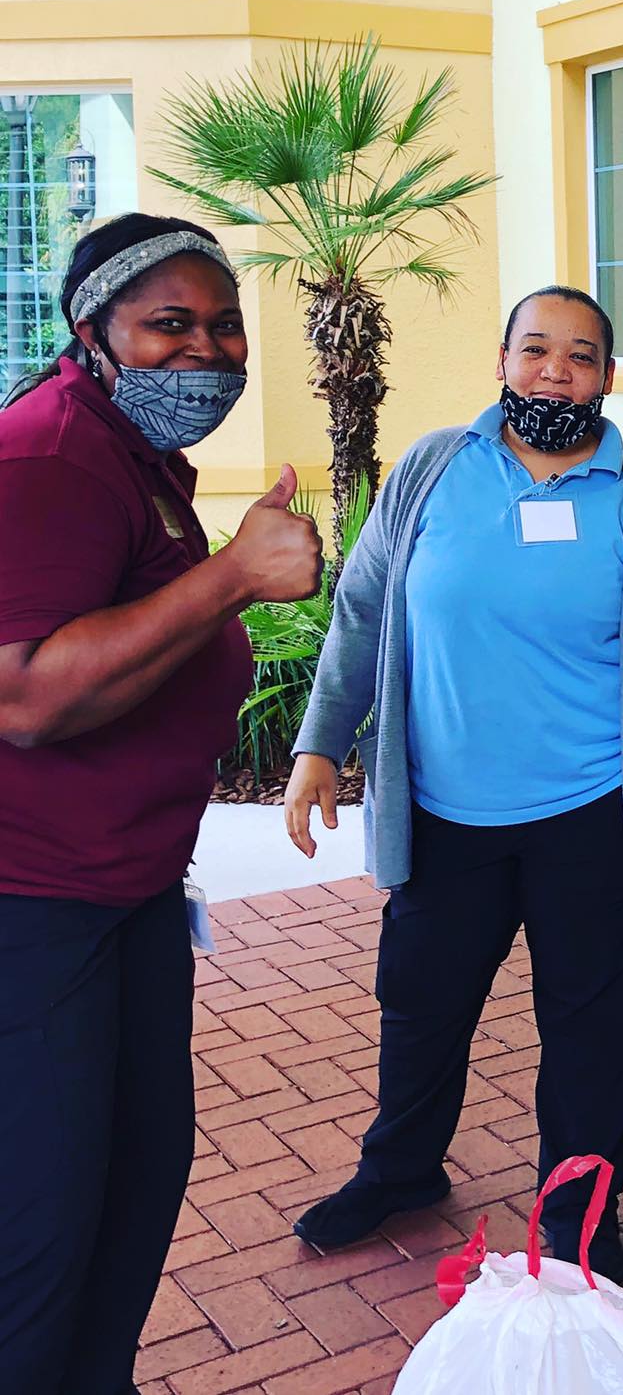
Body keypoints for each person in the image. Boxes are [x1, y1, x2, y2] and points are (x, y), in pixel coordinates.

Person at [282, 283, 623, 1283]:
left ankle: (578, 1215)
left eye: (581, 355)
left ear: (609, 377)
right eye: (536, 348)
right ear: (501, 359)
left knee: (590, 1025)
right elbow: (362, 611)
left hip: (594, 811)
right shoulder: (433, 468)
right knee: (419, 1002)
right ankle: (398, 1167)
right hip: (447, 809)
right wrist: (321, 741)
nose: (556, 370)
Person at [0, 214, 324, 1392]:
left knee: (131, 1187)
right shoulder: (46, 453)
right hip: (37, 910)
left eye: (224, 325)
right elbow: (25, 695)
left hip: (127, 893)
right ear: (95, 333)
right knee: (43, 1227)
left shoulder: (129, 456)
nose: (207, 352)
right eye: (169, 326)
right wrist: (231, 576)